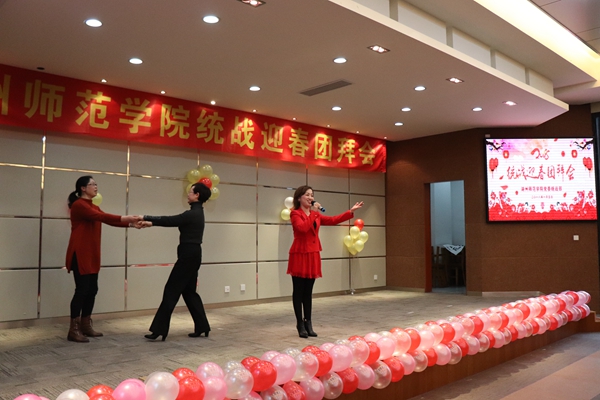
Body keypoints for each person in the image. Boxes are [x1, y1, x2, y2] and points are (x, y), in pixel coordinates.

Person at [65, 175, 141, 343]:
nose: (96, 187)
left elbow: (106, 218)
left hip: (91, 253)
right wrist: (126, 218)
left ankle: (85, 325)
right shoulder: (79, 205)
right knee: (82, 290)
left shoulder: (93, 206)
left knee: (92, 289)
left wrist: (130, 224)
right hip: (81, 253)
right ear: (83, 188)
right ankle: (73, 329)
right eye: (92, 184)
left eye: (96, 184)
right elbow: (103, 217)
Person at [138, 182, 212, 341]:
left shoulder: (192, 214)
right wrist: (150, 223)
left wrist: (146, 217)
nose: (188, 194)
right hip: (193, 254)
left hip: (187, 255)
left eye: (191, 192)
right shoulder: (197, 213)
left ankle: (159, 329)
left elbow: (170, 220)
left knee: (171, 290)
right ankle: (202, 326)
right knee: (189, 292)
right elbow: (174, 221)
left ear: (197, 195)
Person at [287, 185, 363, 338]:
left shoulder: (315, 215)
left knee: (308, 291)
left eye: (312, 195)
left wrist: (350, 212)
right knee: (299, 291)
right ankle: (300, 324)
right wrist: (314, 213)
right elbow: (302, 228)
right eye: (307, 195)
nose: (310, 197)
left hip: (313, 254)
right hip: (300, 254)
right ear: (299, 198)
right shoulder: (295, 213)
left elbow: (333, 220)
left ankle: (308, 323)